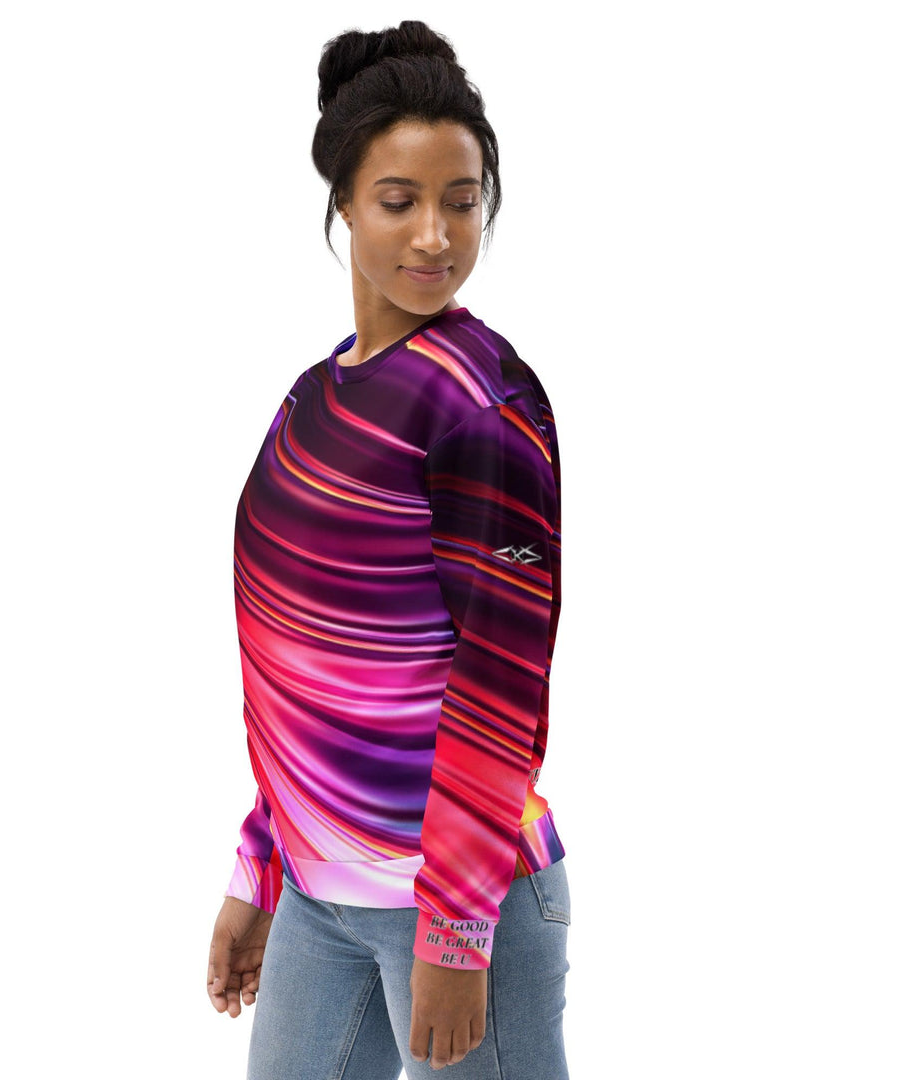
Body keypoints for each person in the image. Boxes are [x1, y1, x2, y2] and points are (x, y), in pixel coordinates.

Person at [207, 20, 571, 1079]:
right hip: (319, 899)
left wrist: (456, 932)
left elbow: (502, 680)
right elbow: (297, 668)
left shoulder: (480, 403)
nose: (436, 237)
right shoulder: (309, 401)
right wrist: (260, 865)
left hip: (460, 902)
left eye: (463, 201)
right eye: (399, 202)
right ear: (344, 205)